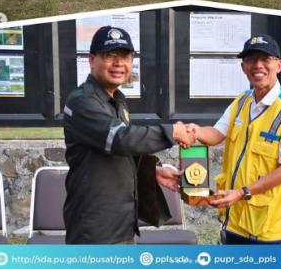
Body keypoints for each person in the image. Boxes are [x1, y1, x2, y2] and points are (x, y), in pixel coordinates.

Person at [63, 25, 195, 244]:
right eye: (110, 56)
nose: (119, 64)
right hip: (96, 230)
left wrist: (153, 171)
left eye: (125, 57)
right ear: (92, 59)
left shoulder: (116, 99)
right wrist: (173, 132)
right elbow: (120, 139)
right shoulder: (82, 101)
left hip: (121, 224)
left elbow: (117, 152)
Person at [187, 34, 281, 244]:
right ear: (243, 67)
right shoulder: (242, 101)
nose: (258, 65)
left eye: (266, 59)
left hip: (266, 226)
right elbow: (217, 134)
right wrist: (196, 131)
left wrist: (241, 193)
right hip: (233, 216)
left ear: (279, 65)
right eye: (251, 60)